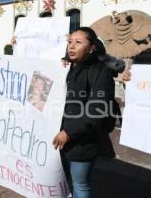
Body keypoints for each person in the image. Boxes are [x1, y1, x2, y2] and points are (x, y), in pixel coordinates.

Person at [52, 27, 125, 197]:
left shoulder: (101, 70)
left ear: (92, 47)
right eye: (70, 41)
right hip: (59, 136)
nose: (71, 46)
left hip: (82, 140)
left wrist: (69, 132)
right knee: (65, 181)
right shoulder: (67, 66)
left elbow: (97, 110)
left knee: (80, 185)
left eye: (78, 42)